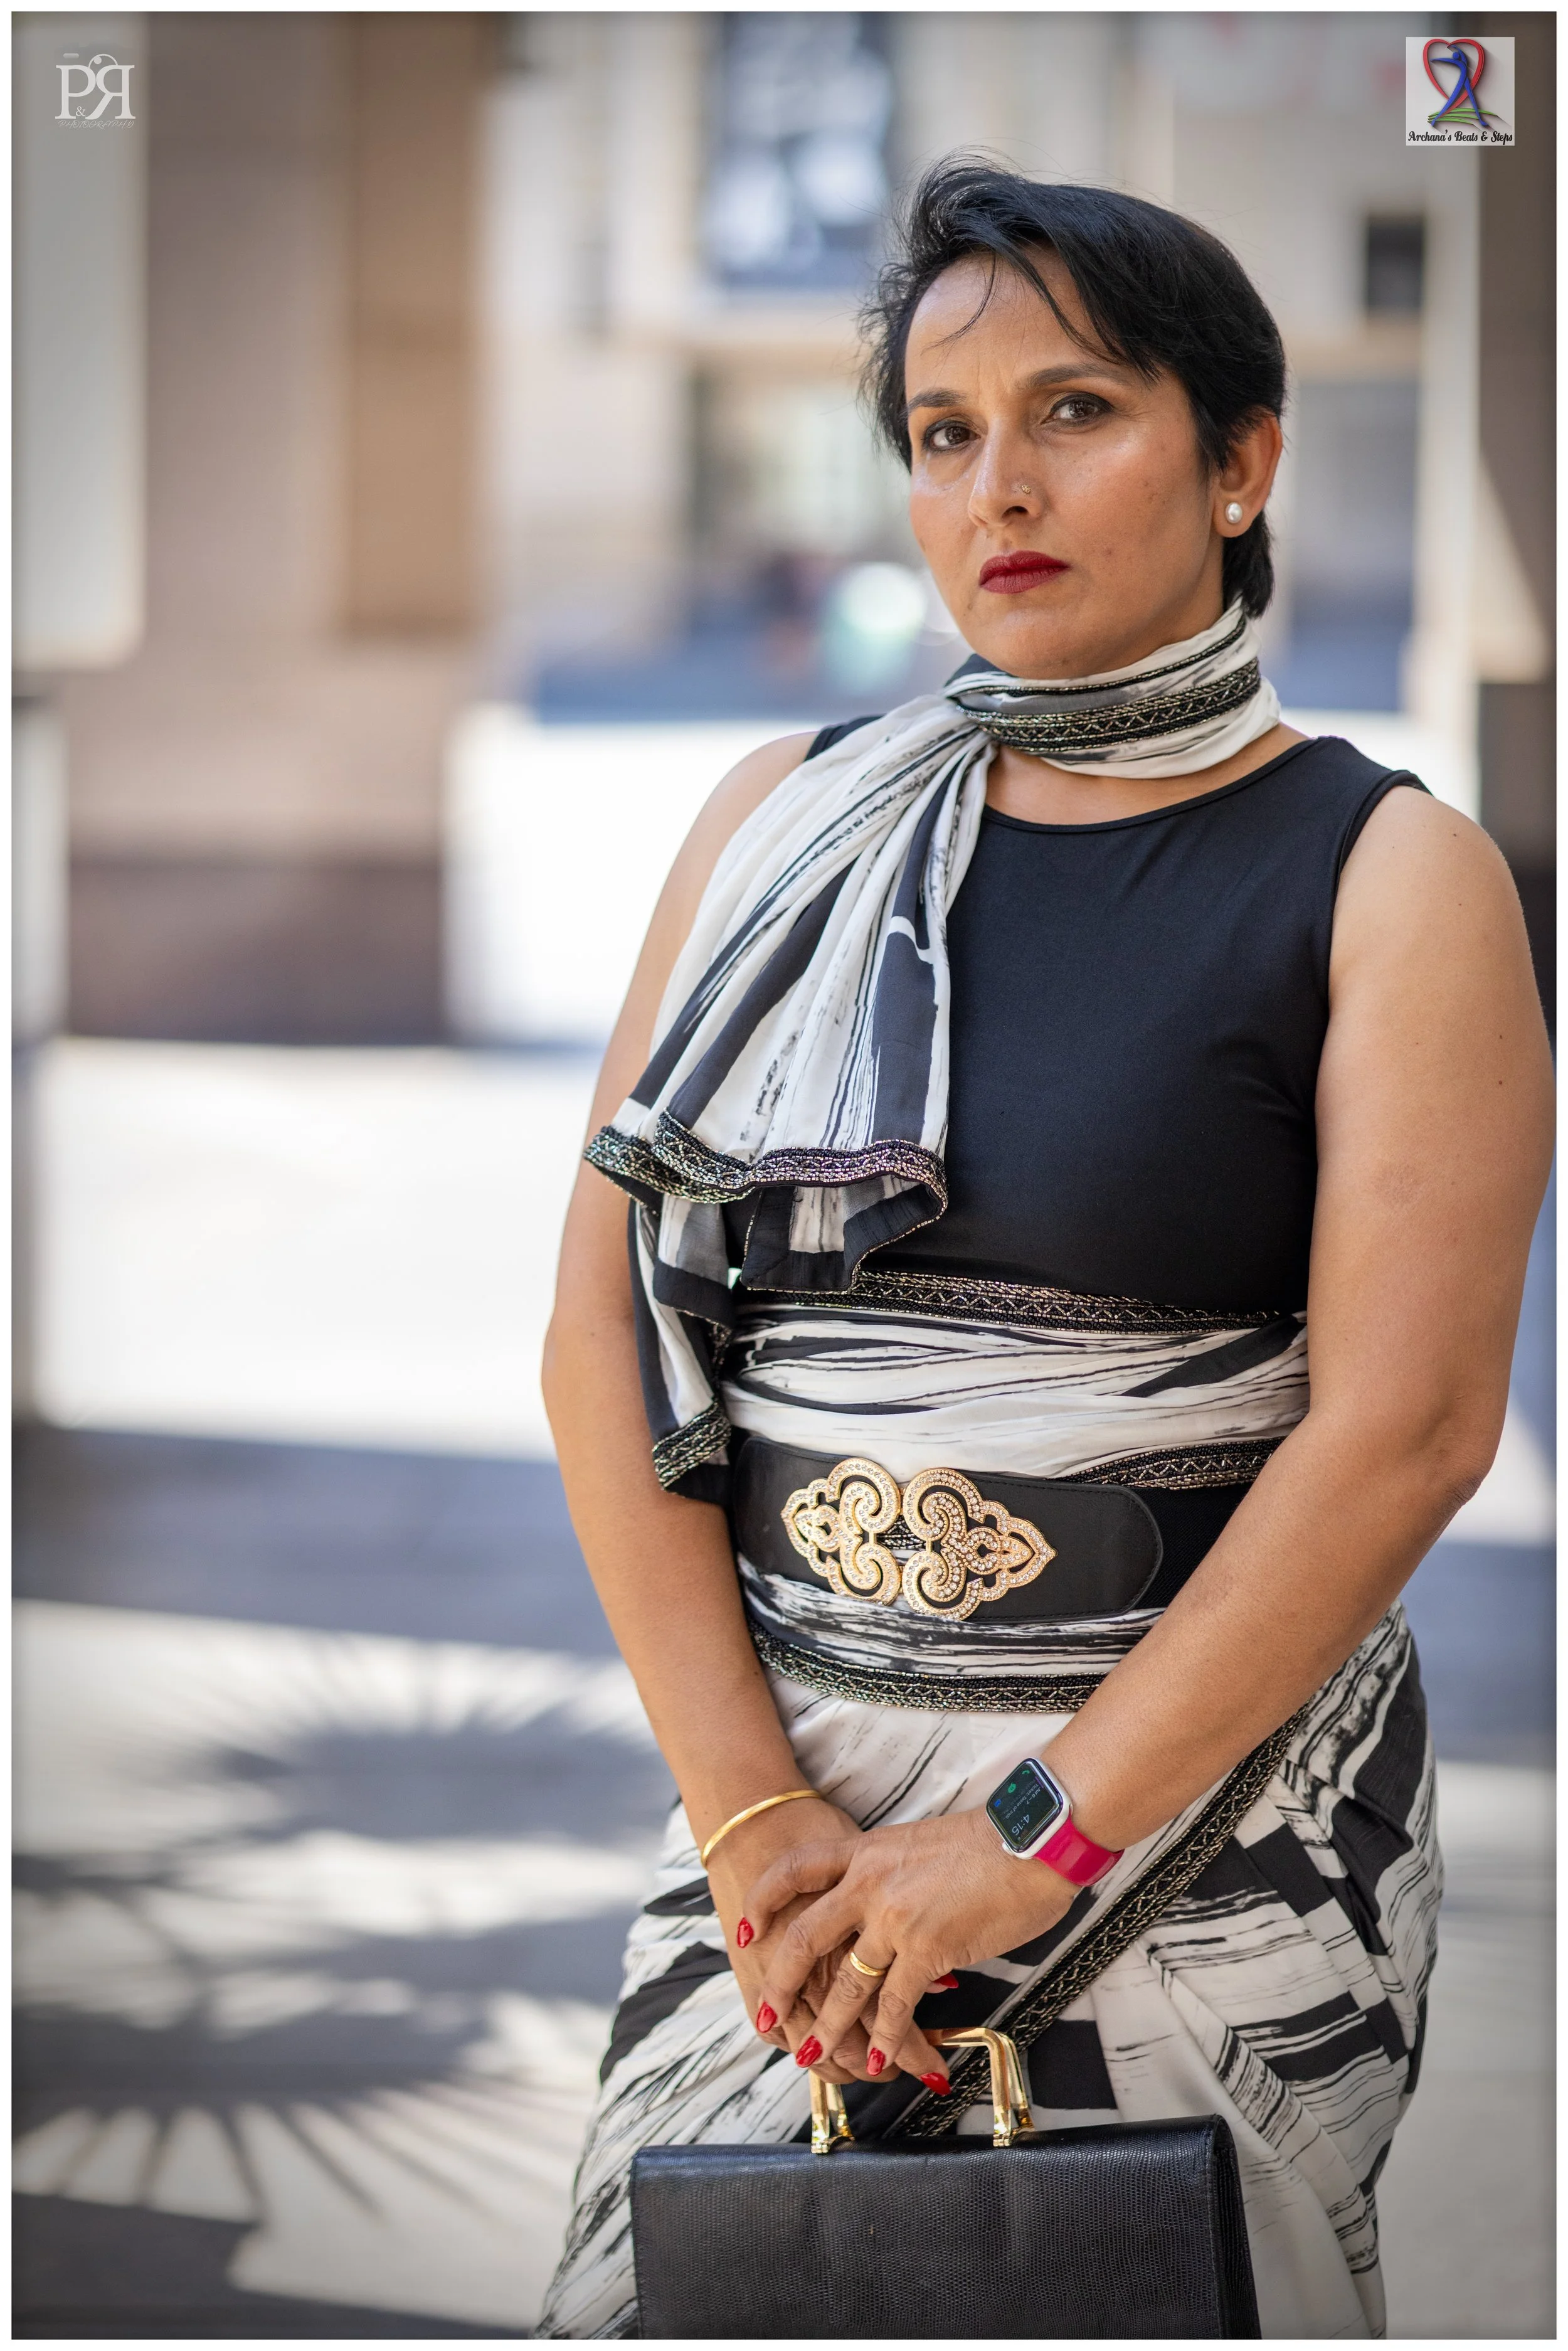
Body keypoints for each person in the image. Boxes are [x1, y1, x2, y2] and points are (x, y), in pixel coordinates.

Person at [537, 164, 1552, 2340]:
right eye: (942, 430)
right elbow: (599, 1341)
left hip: (1202, 1827)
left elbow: (1407, 1432)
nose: (995, 482)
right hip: (792, 1827)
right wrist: (751, 1820)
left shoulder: (1389, 874)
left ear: (1240, 460)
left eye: (1074, 410)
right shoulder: (770, 827)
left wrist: (1030, 1837)